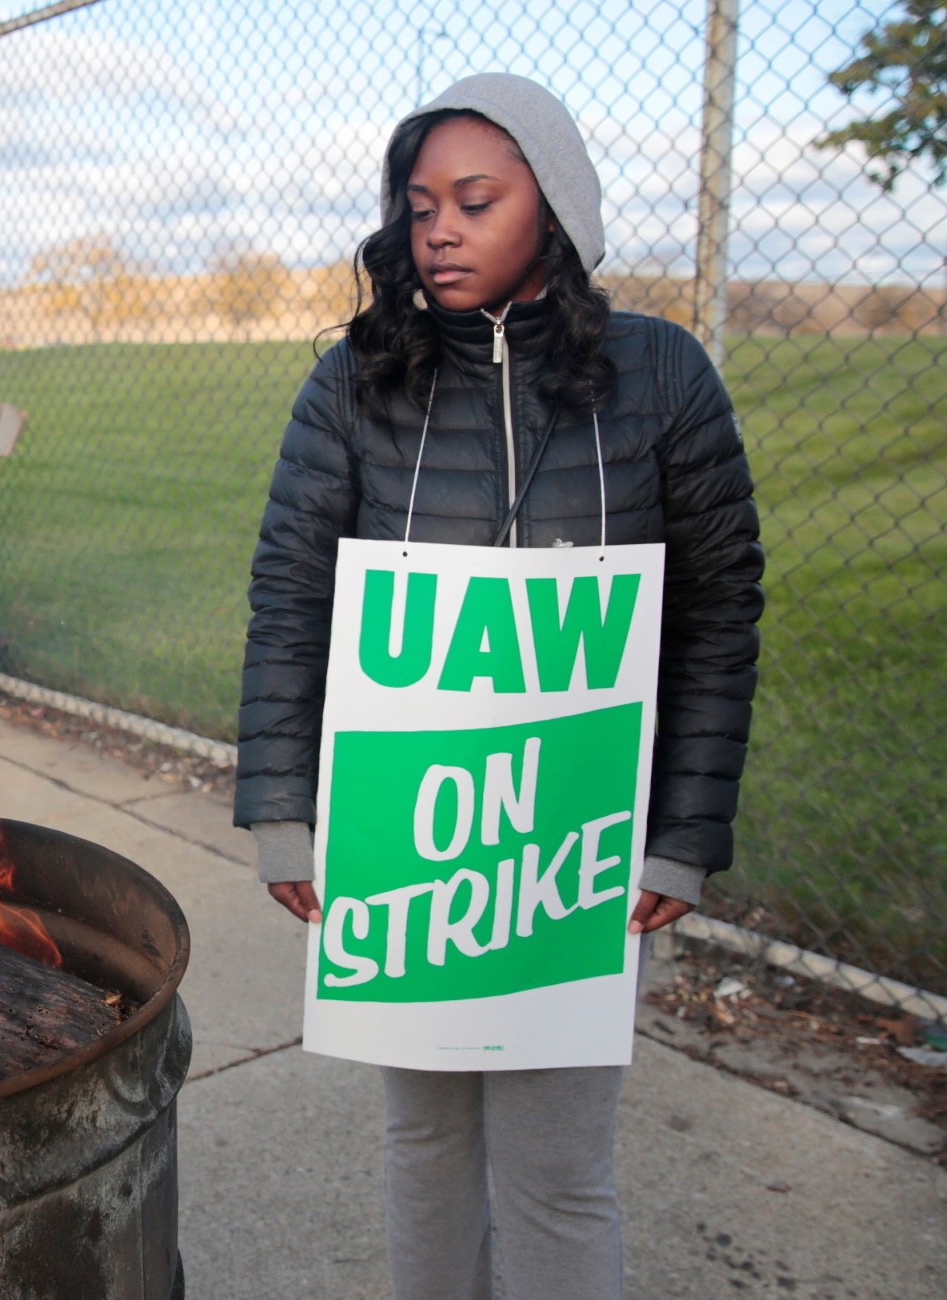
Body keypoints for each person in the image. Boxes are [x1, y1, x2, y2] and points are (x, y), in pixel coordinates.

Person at [235, 74, 763, 1299]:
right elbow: (289, 598)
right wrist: (281, 809)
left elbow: (716, 619)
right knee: (421, 1139)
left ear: (554, 206)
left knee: (554, 1161)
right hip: (403, 837)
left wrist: (677, 839)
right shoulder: (355, 382)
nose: (438, 229)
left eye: (474, 199)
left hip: (577, 842)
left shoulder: (662, 376)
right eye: (418, 205)